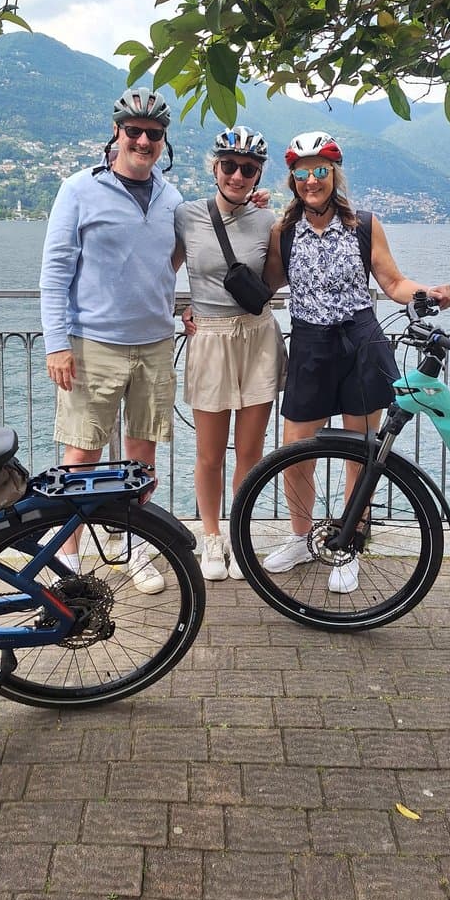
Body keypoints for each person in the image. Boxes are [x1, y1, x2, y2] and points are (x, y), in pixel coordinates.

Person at [261, 131, 450, 593]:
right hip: (310, 343)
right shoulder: (281, 231)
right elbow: (263, 286)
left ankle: (350, 544)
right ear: (292, 178)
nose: (312, 180)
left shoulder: (364, 224)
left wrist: (429, 293)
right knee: (295, 452)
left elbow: (393, 283)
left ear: (334, 174)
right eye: (302, 172)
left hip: (361, 343)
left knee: (362, 451)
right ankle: (300, 536)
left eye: (320, 170)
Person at [39, 87, 180, 594]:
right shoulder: (78, 188)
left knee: (143, 460)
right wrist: (57, 343)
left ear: (164, 141)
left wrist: (169, 303)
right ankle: (67, 559)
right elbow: (55, 273)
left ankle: (136, 549)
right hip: (91, 345)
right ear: (116, 132)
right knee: (81, 458)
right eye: (134, 131)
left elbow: (178, 255)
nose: (143, 140)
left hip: (154, 344)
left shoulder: (172, 196)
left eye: (154, 134)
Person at [175, 127, 287, 581]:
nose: (237, 176)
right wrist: (180, 310)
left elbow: (274, 280)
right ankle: (210, 538)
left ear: (259, 175)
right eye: (229, 166)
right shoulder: (186, 215)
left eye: (248, 169)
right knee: (208, 453)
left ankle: (239, 537)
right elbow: (160, 270)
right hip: (211, 338)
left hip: (258, 337)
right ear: (214, 167)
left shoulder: (268, 222)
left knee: (251, 451)